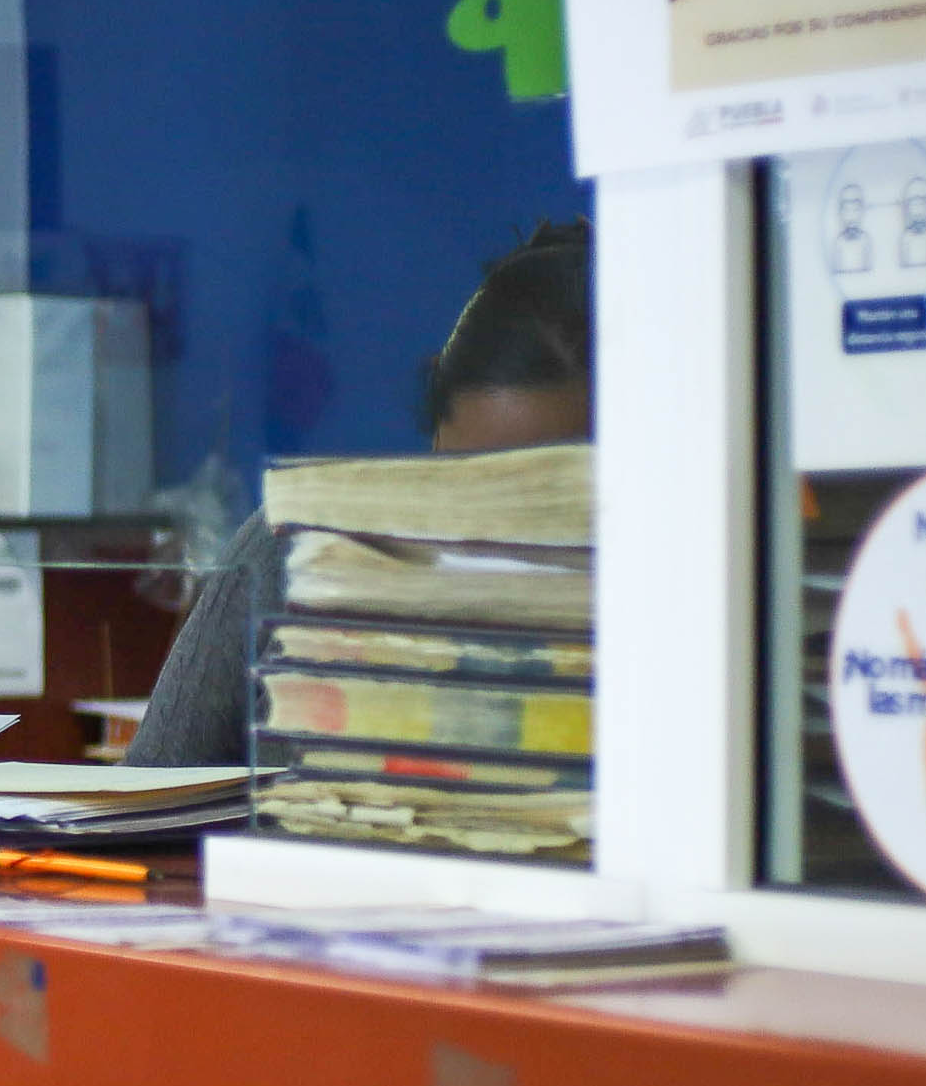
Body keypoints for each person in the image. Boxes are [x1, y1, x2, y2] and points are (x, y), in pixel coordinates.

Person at [128, 221, 592, 767]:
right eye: (471, 480)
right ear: (436, 438)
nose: (498, 528)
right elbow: (146, 798)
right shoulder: (300, 548)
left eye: (548, 496)